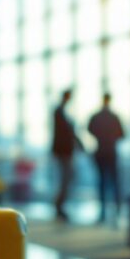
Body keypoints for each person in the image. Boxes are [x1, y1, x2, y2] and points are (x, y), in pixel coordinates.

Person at [88, 92, 125, 224]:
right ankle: (117, 210)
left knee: (102, 182)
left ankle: (102, 212)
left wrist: (100, 137)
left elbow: (89, 129)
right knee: (114, 182)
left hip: (100, 152)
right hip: (111, 152)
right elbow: (123, 134)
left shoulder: (96, 117)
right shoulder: (114, 117)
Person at [51, 89, 83, 221]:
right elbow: (66, 132)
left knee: (67, 178)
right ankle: (59, 206)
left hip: (64, 151)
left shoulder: (61, 112)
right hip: (63, 151)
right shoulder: (59, 112)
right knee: (66, 178)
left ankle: (60, 205)